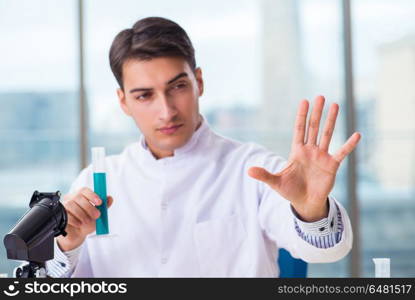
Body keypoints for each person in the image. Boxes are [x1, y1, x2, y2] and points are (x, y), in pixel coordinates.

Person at [46, 17, 361, 277]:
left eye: (178, 86)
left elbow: (326, 249)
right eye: (145, 95)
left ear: (199, 82)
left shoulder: (256, 169)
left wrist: (310, 212)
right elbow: (52, 281)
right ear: (123, 101)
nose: (167, 111)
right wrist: (66, 245)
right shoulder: (96, 182)